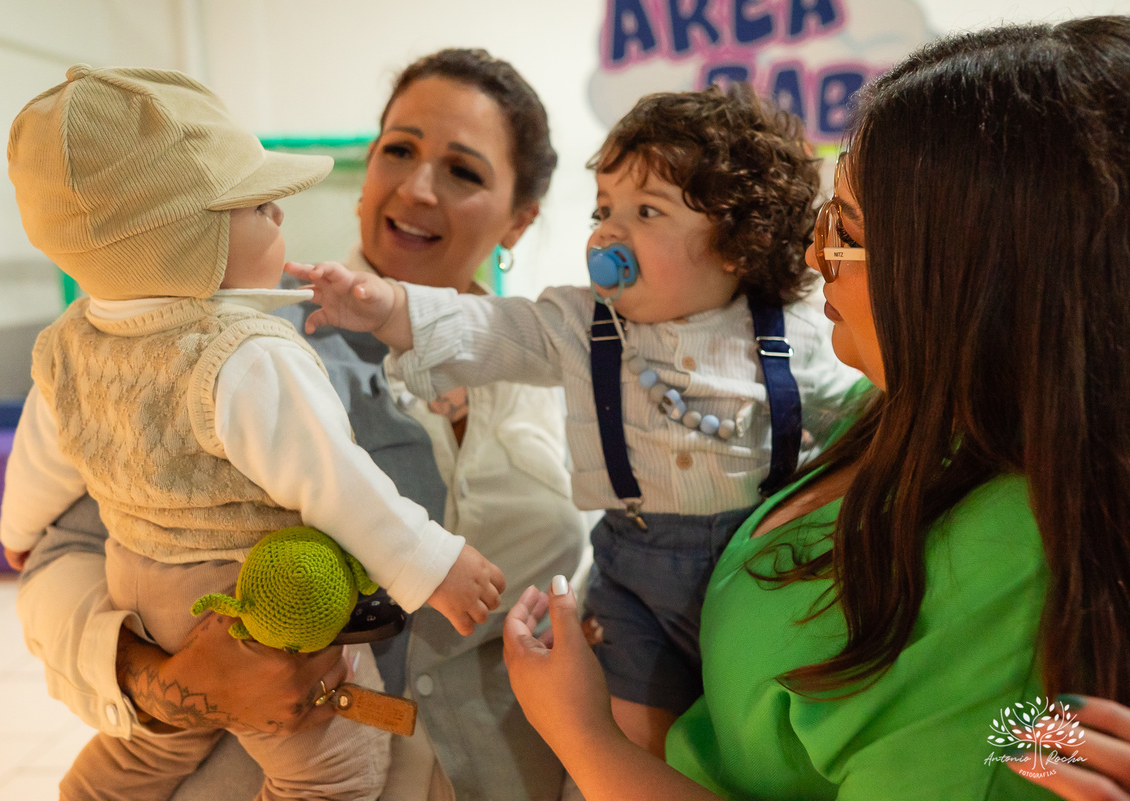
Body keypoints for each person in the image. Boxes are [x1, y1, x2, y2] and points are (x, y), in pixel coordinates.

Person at [502, 16, 1130, 801]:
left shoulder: (1009, 571)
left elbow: (994, 746)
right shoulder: (908, 410)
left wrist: (581, 731)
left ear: (978, 278)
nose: (810, 256)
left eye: (844, 231)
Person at [13, 49, 586, 801]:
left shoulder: (559, 370)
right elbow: (57, 551)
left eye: (464, 171)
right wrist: (162, 679)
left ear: (520, 219)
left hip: (506, 770)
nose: (417, 188)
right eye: (400, 151)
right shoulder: (204, 328)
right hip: (271, 763)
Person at [287, 82, 861, 757]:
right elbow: (489, 327)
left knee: (753, 733)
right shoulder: (581, 322)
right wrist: (387, 307)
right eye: (604, 208)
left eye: (647, 211)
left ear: (738, 243)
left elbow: (867, 422)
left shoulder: (793, 336)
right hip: (634, 581)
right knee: (626, 740)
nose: (610, 232)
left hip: (760, 569)